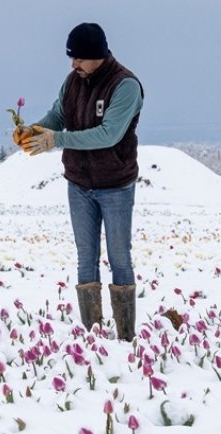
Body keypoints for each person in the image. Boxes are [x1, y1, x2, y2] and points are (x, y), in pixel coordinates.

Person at [16, 22, 144, 342]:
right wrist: (34, 131)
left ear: (97, 55)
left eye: (79, 59)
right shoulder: (73, 81)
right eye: (71, 58)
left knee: (119, 256)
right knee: (85, 257)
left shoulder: (125, 86)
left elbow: (109, 134)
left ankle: (126, 335)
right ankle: (93, 334)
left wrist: (55, 141)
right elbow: (58, 116)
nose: (73, 64)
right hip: (78, 183)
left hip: (115, 185)